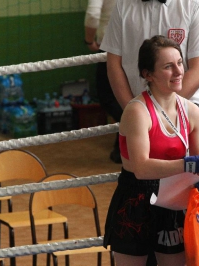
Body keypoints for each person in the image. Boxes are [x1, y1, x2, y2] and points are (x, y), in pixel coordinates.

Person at [103, 35, 199, 266]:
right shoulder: (137, 111)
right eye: (168, 66)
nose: (178, 72)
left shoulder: (192, 112)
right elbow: (142, 168)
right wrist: (190, 164)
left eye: (179, 62)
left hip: (174, 198)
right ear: (148, 75)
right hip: (136, 197)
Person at [99, 0, 199, 149]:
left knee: (191, 168)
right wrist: (135, 112)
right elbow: (113, 65)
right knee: (138, 169)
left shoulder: (196, 5)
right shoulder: (123, 5)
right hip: (137, 111)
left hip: (184, 110)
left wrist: (160, 116)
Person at [84, 0, 123, 163]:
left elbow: (93, 14)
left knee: (107, 97)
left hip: (110, 46)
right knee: (127, 95)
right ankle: (122, 147)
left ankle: (132, 136)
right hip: (136, 44)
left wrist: (89, 40)